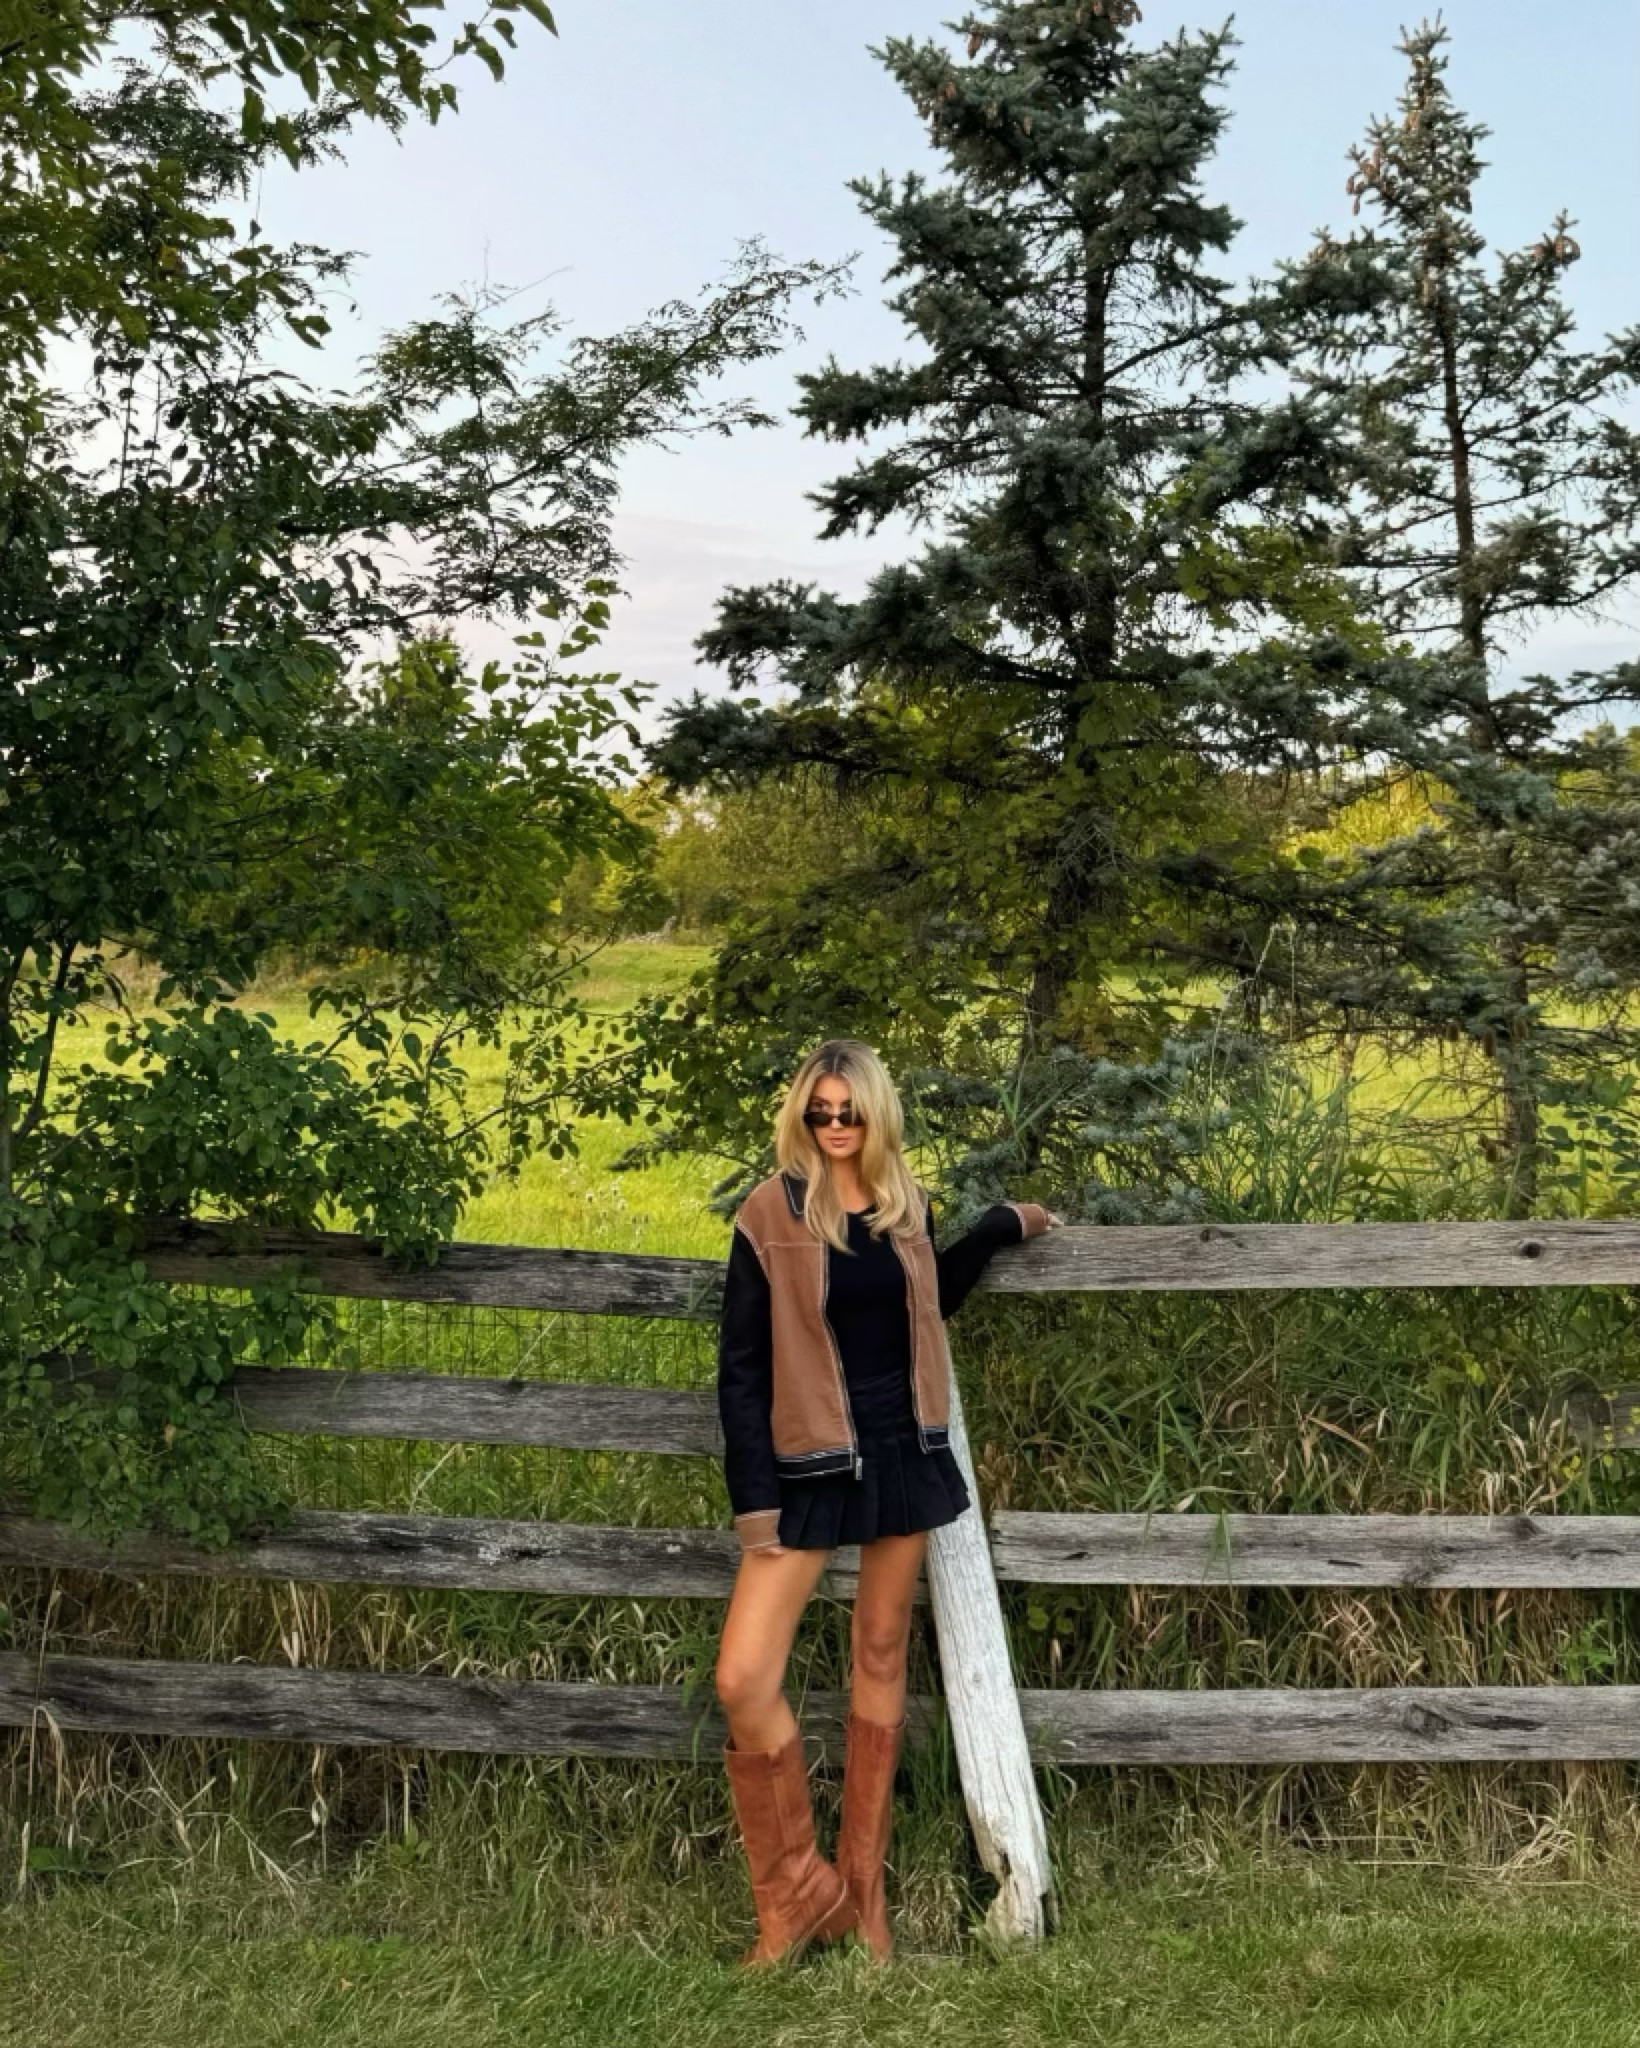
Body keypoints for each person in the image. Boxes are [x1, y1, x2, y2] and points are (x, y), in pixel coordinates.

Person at [712, 1037, 1064, 1967]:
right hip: (807, 1463)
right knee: (743, 1679)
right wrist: (754, 1504)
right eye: (819, 1111)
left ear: (876, 1116)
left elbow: (925, 1300)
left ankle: (864, 1899)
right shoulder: (769, 1211)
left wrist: (991, 1229)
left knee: (880, 1651)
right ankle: (799, 1896)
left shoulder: (906, 1202)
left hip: (904, 1451)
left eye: (849, 1112)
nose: (833, 1126)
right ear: (801, 1113)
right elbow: (740, 1371)